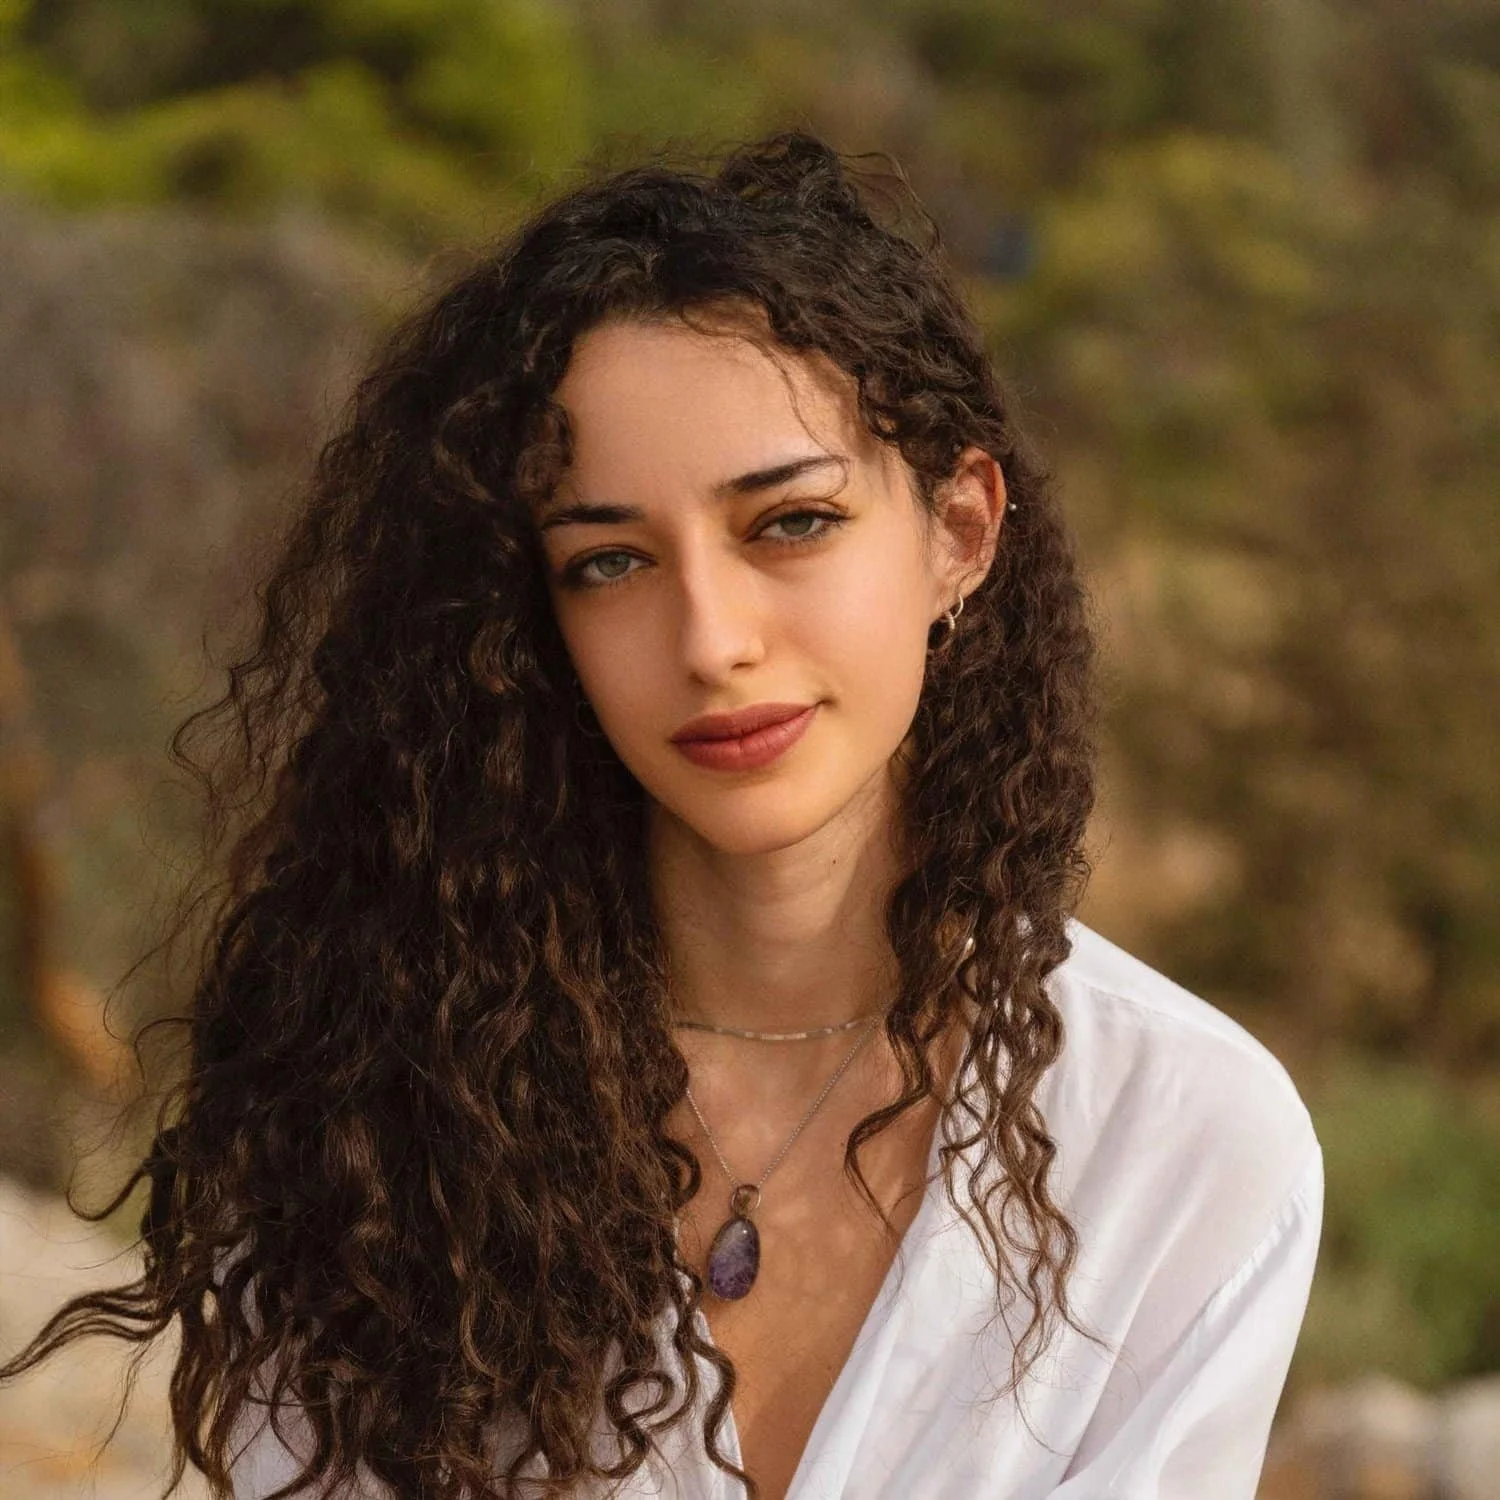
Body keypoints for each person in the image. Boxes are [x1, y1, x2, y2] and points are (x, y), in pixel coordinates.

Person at [0, 131, 1323, 1500]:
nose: (709, 638)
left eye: (790, 524)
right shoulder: (371, 1104)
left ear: (960, 531)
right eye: (609, 561)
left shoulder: (1182, 1140)